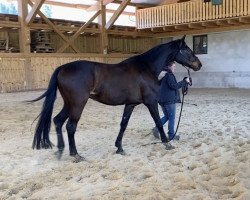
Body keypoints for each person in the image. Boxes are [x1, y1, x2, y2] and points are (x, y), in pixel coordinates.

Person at [152, 61, 190, 140]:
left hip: (161, 99)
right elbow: (174, 86)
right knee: (171, 117)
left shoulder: (162, 74)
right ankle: (171, 135)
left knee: (167, 116)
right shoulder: (169, 75)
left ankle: (156, 129)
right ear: (169, 67)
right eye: (173, 66)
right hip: (169, 100)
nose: (174, 68)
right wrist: (185, 81)